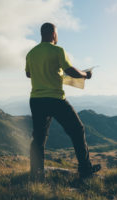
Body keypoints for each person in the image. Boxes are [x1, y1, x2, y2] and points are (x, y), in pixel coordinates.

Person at [25, 22, 101, 181]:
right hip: (56, 99)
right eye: (57, 33)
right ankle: (85, 170)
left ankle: (36, 174)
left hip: (36, 100)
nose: (57, 36)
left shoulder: (31, 53)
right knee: (77, 129)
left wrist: (46, 73)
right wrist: (86, 75)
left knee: (39, 138)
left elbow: (29, 74)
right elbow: (70, 71)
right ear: (53, 34)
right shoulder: (58, 50)